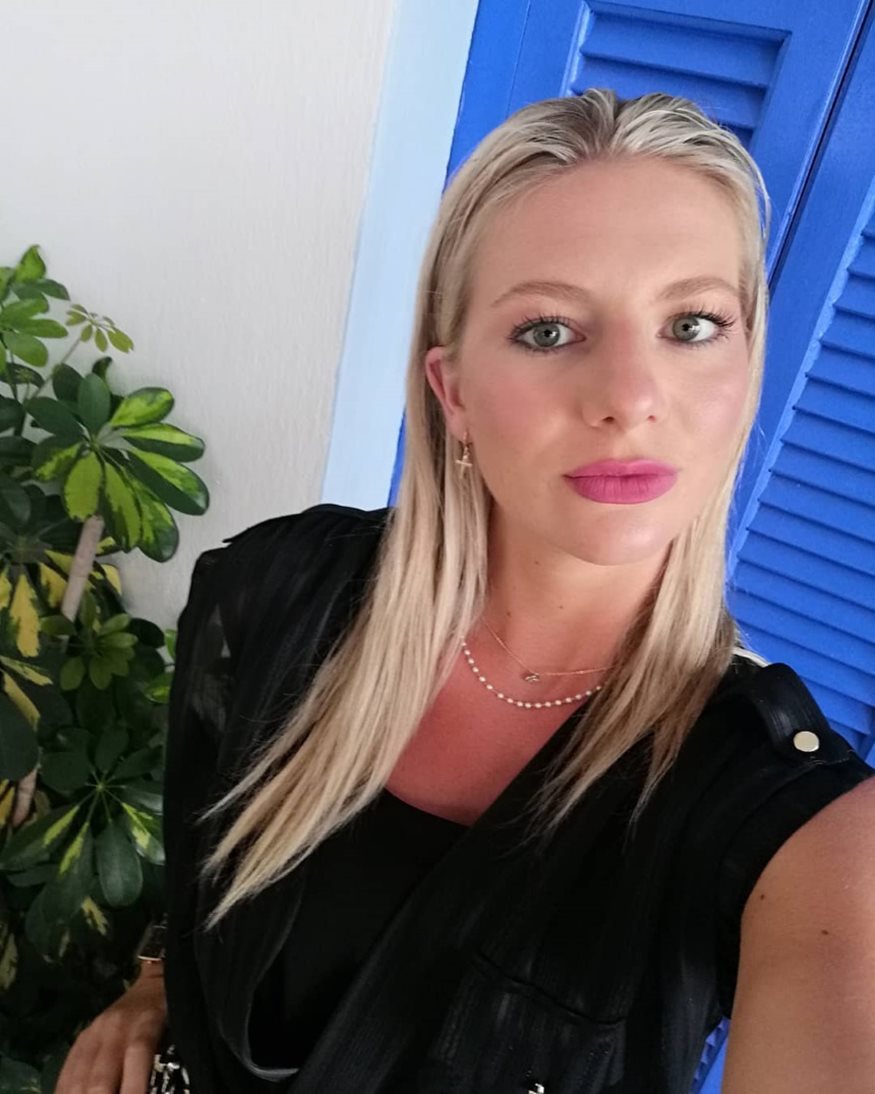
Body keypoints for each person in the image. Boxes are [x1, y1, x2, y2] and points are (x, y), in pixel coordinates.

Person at [56, 88, 875, 1094]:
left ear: (745, 370)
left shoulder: (792, 821)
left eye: (692, 322)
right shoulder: (271, 591)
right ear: (453, 393)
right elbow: (198, 863)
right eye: (547, 331)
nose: (628, 397)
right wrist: (151, 987)